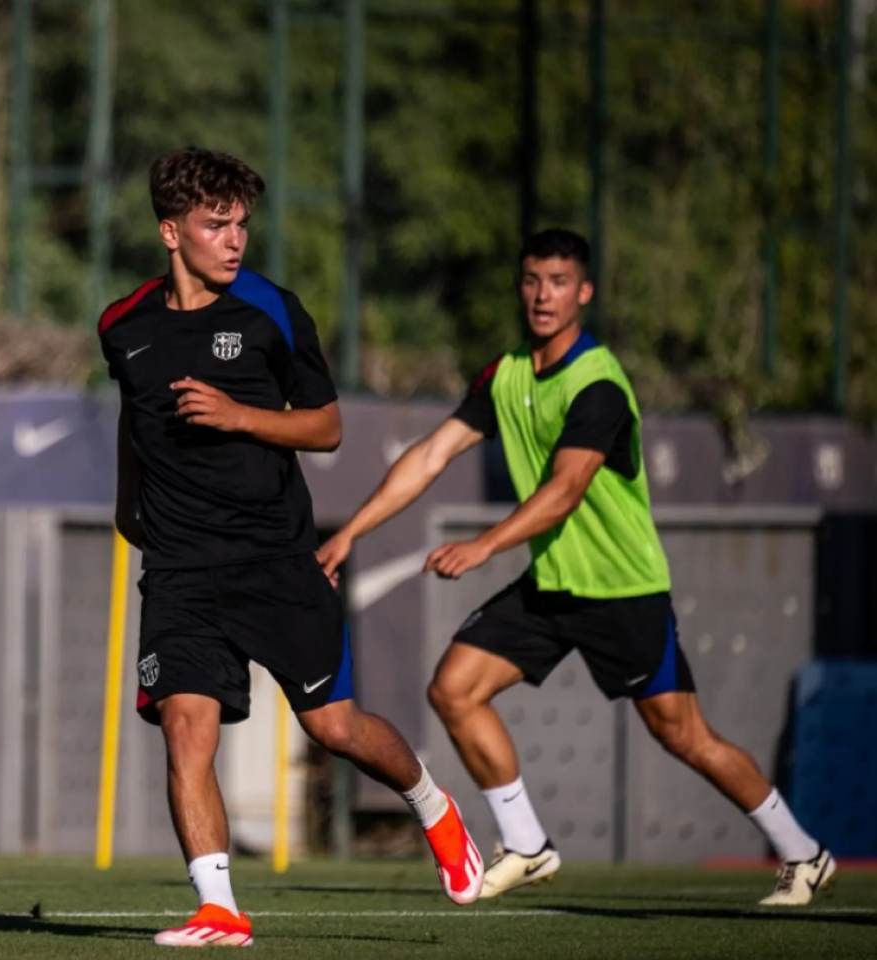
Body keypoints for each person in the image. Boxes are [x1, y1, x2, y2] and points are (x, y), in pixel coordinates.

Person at [316, 228, 836, 905]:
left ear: (583, 292)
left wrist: (483, 546)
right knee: (455, 688)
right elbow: (429, 455)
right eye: (532, 280)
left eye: (558, 282)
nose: (543, 295)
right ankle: (527, 842)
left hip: (622, 590)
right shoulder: (503, 375)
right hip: (553, 585)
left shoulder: (599, 385)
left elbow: (565, 491)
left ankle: (803, 853)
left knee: (683, 734)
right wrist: (351, 532)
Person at [99, 147, 484, 949]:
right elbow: (136, 425)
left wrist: (240, 416)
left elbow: (327, 427)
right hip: (176, 569)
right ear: (171, 233)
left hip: (273, 561)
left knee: (334, 728)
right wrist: (127, 503)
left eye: (242, 224)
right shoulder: (122, 325)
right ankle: (220, 909)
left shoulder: (271, 310)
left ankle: (433, 806)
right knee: (185, 726)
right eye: (216, 226)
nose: (235, 241)